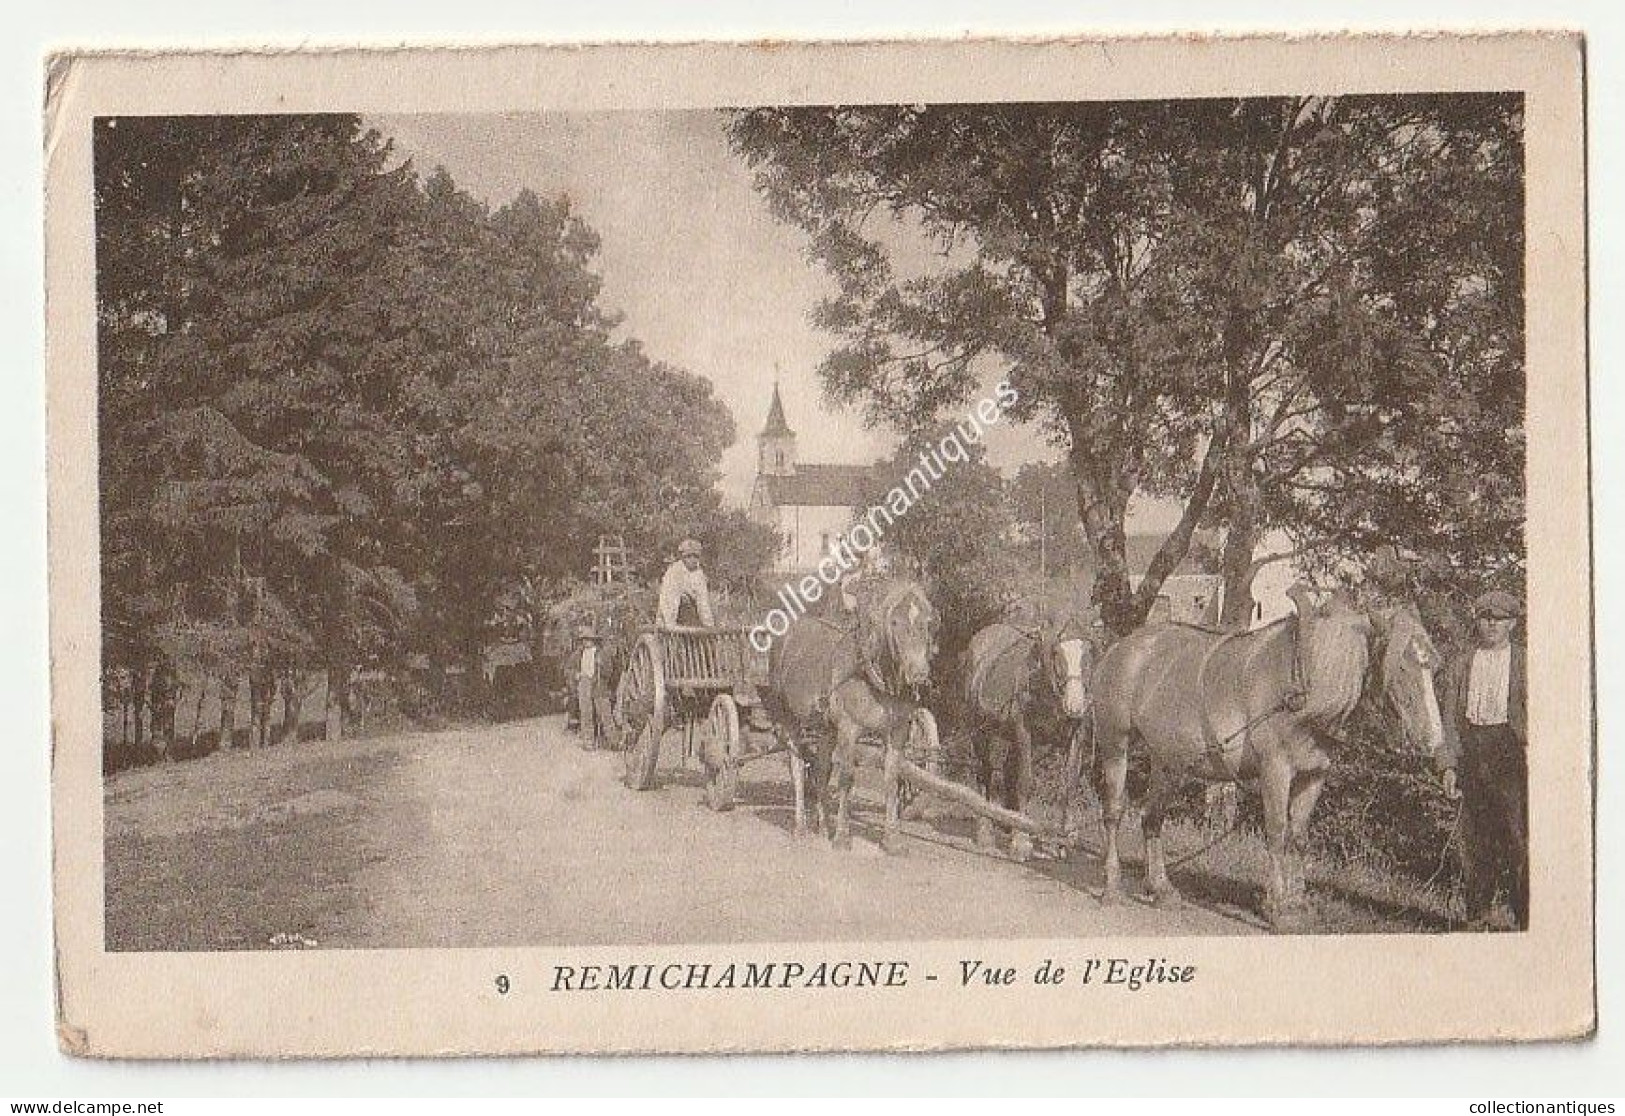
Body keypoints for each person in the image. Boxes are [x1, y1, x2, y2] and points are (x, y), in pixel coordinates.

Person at [1437, 588, 1528, 931]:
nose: (1490, 624)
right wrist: (1448, 766)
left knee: (1519, 840)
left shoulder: (1524, 661)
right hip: (1472, 753)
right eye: (1485, 617)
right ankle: (1477, 917)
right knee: (1475, 841)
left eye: (1499, 618)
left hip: (1511, 754)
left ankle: (1524, 922)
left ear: (1513, 623)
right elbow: (1448, 721)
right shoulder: (1462, 662)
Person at [658, 538, 715, 628]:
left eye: (696, 556)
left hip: (691, 617)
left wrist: (709, 625)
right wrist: (671, 625)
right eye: (688, 556)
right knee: (684, 599)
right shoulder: (674, 573)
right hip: (673, 615)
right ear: (682, 557)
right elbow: (669, 602)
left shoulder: (699, 574)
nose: (692, 560)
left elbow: (703, 602)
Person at [575, 627, 604, 743]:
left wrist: (590, 677)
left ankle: (592, 738)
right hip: (583, 681)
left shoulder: (597, 653)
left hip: (592, 681)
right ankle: (587, 736)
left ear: (593, 640)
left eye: (587, 639)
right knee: (584, 709)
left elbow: (596, 670)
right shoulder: (582, 652)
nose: (585, 642)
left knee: (592, 710)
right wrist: (578, 674)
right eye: (583, 640)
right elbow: (579, 666)